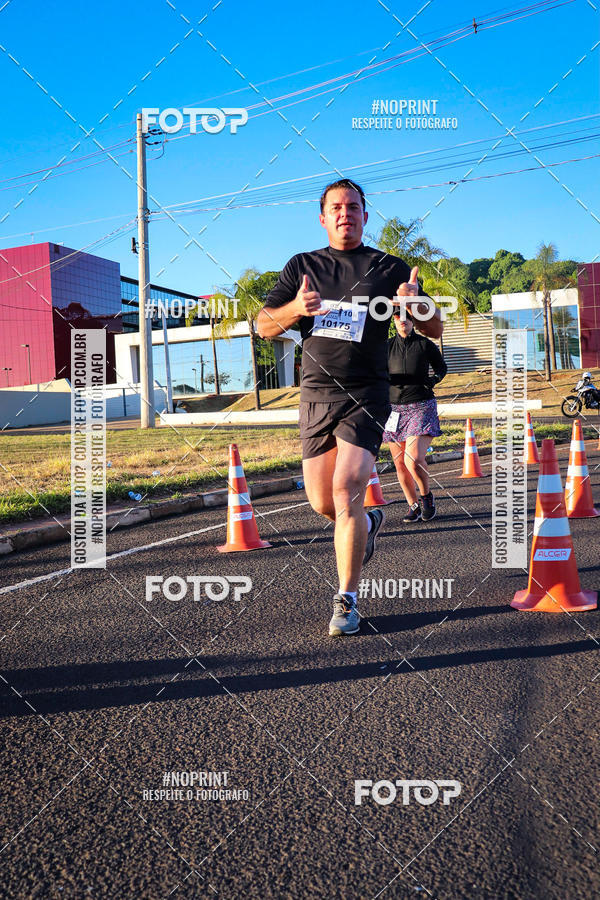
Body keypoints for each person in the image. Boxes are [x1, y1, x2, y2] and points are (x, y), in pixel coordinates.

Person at [257, 178, 442, 636]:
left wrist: (417, 304)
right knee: (324, 502)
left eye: (353, 206)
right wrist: (296, 308)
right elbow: (264, 326)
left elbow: (435, 328)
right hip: (316, 394)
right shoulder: (302, 266)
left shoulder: (388, 267)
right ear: (323, 218)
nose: (345, 214)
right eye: (336, 208)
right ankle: (369, 522)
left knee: (347, 487)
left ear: (365, 214)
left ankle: (347, 599)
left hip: (368, 393)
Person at [383, 310, 447, 523]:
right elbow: (375, 373)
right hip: (393, 411)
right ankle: (413, 505)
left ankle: (426, 496)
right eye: (398, 317)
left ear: (413, 321)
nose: (403, 320)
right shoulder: (386, 347)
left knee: (413, 459)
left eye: (407, 317)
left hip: (421, 406)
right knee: (400, 463)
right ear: (394, 321)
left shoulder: (424, 344)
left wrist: (433, 380)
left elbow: (441, 367)